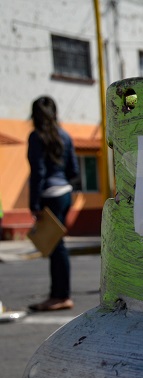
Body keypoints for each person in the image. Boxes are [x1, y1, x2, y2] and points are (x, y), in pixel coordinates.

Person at [27, 96, 79, 311]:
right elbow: (74, 170)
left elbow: (38, 172)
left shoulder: (36, 137)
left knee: (56, 247)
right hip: (65, 193)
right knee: (56, 245)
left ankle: (60, 296)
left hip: (49, 195)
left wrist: (34, 203)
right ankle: (58, 294)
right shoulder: (65, 136)